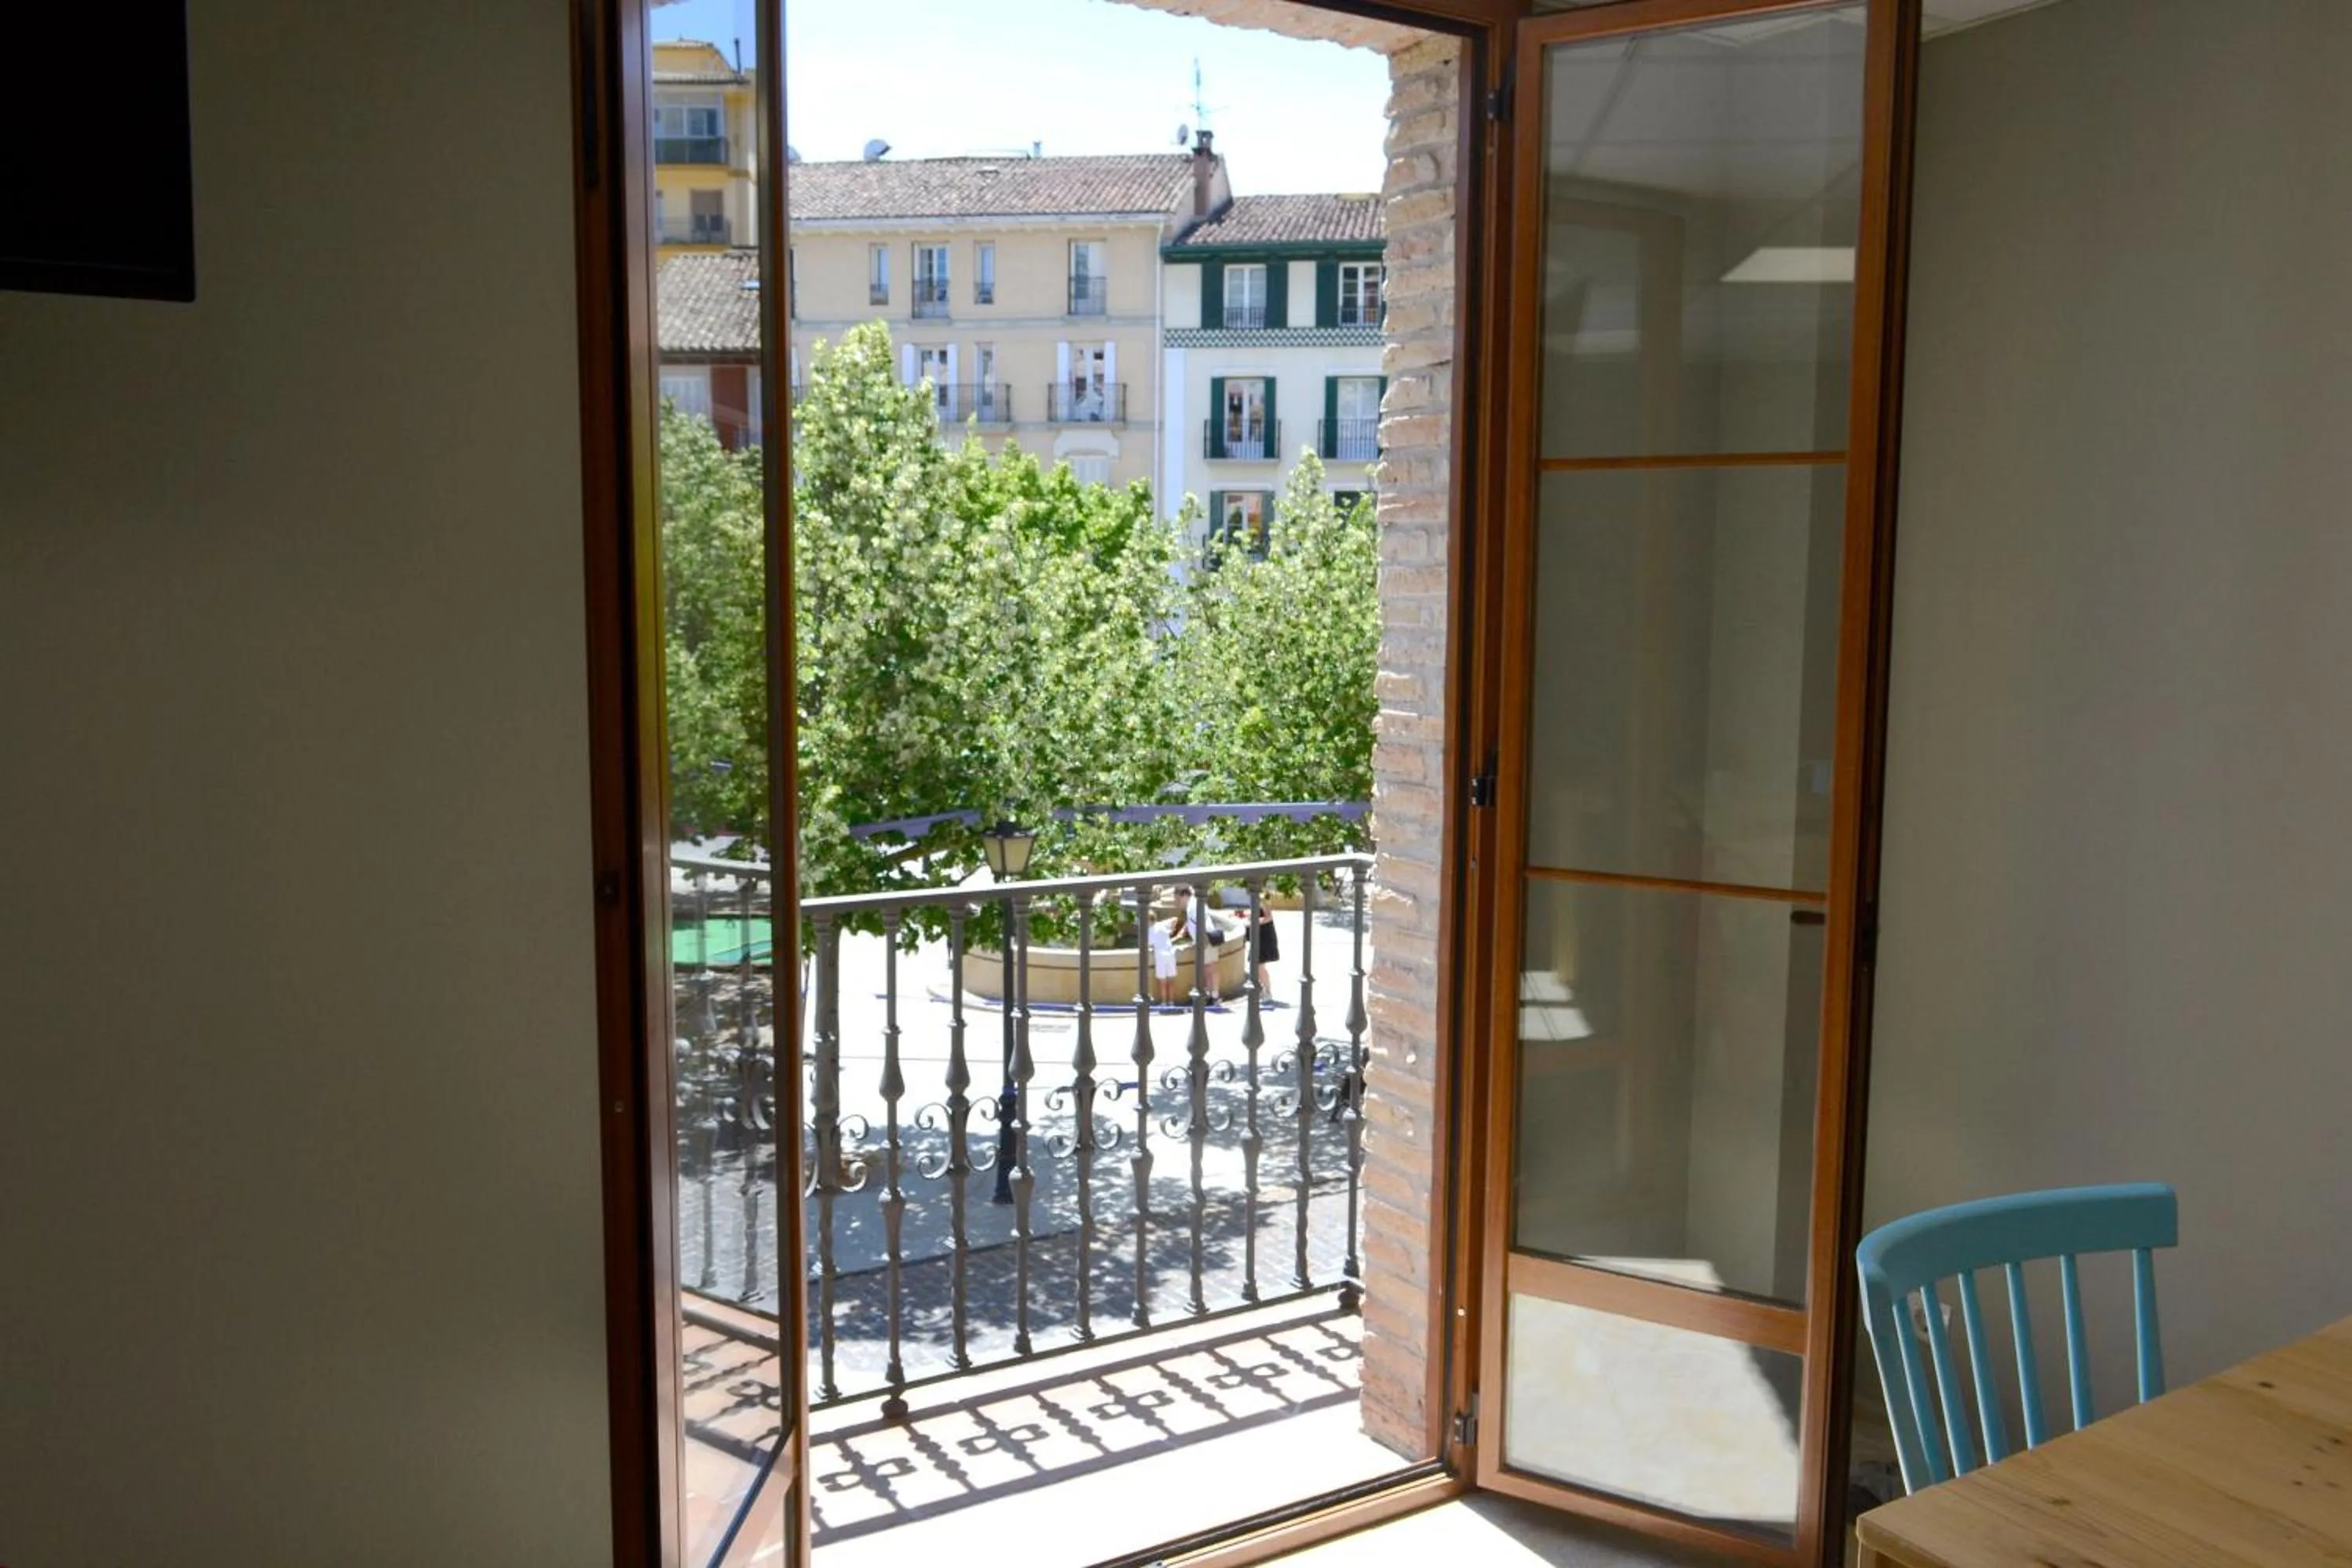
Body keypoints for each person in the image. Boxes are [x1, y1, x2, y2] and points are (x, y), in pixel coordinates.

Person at [1148, 910, 1181, 1007]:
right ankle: (1171, 1003)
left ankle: (1163, 1003)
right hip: (1170, 954)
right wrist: (1171, 930)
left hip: (1161, 956)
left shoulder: (1149, 931)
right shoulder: (1162, 924)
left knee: (1163, 981)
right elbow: (1175, 919)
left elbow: (1149, 945)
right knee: (1171, 980)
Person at [1250, 900, 1281, 999]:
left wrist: (1254, 922)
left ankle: (1267, 991)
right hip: (1259, 936)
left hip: (1264, 937)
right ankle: (1264, 990)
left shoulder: (1263, 900)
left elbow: (1269, 917)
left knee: (1259, 966)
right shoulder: (1257, 898)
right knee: (1258, 965)